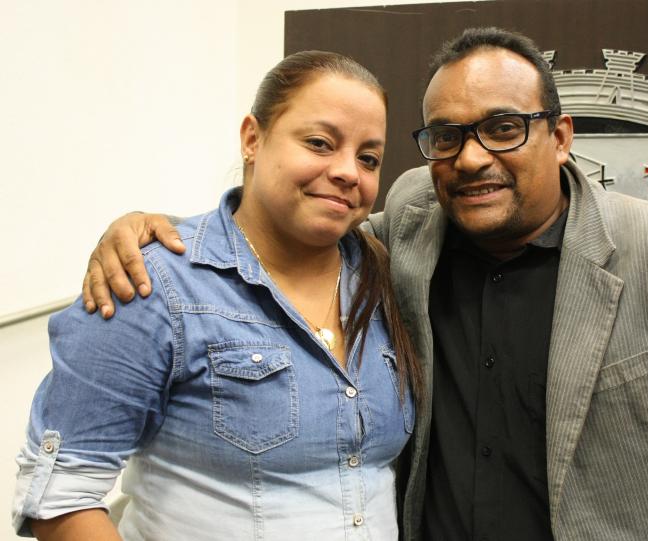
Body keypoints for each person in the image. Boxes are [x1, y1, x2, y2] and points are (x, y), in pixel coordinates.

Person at [77, 28, 648, 540]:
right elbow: (291, 226)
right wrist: (147, 229)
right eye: (446, 136)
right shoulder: (410, 222)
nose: (471, 157)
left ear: (560, 137)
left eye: (504, 128)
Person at [13, 50, 423, 540]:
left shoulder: (383, 274)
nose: (348, 172)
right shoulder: (151, 285)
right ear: (253, 138)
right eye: (319, 143)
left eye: (368, 158)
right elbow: (62, 499)